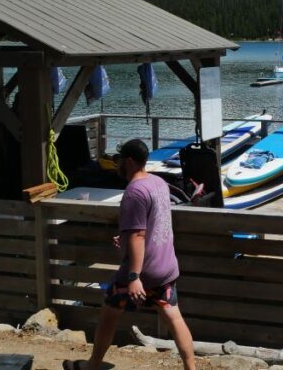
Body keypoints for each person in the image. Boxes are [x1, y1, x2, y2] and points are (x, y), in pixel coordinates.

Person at [64, 139, 196, 370]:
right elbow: (153, 225)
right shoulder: (158, 183)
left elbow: (138, 236)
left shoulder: (135, 192)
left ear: (129, 161)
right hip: (166, 266)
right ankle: (191, 368)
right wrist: (125, 240)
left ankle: (93, 365)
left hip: (142, 271)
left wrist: (134, 277)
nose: (117, 166)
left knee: (109, 314)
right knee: (174, 318)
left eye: (119, 161)